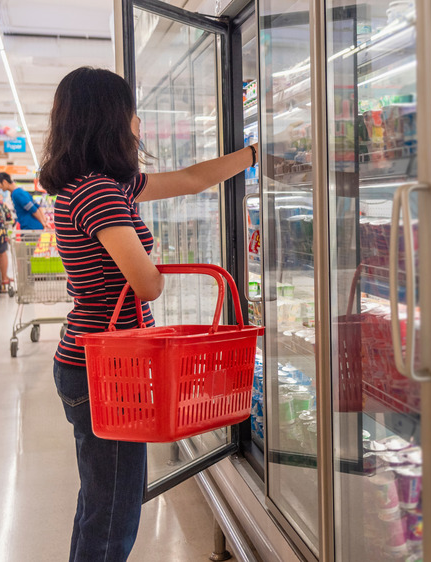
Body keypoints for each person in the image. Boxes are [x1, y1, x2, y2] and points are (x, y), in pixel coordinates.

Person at [41, 67, 256, 561]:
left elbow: (190, 179)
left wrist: (253, 154)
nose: (139, 120)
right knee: (114, 512)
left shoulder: (103, 184)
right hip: (105, 370)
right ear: (111, 120)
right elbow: (146, 284)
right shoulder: (97, 192)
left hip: (93, 363)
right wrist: (159, 274)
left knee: (102, 501)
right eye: (130, 110)